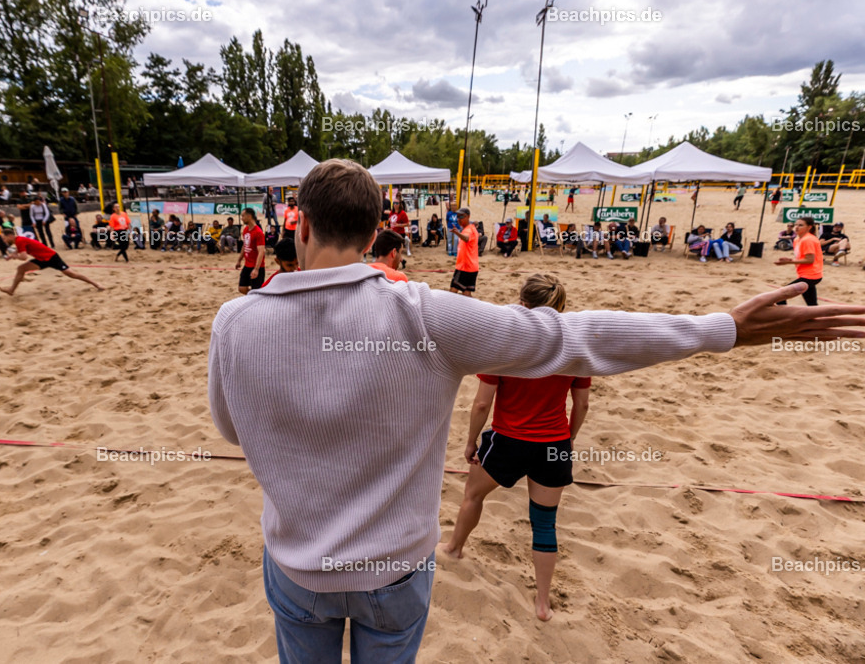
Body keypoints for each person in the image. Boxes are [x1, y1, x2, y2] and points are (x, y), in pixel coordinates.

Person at [207, 158, 865, 664]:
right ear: (381, 229)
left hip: (298, 566)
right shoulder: (424, 313)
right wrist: (717, 328)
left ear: (300, 222)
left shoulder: (236, 322)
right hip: (394, 568)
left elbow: (232, 430)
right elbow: (576, 335)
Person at [442, 273, 588, 621]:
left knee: (473, 496)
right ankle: (542, 603)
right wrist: (568, 440)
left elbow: (481, 405)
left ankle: (454, 549)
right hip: (553, 444)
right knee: (544, 524)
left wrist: (470, 442)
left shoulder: (505, 345)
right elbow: (581, 405)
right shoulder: (574, 348)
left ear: (522, 303)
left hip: (510, 440)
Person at [0, 228, 103, 295]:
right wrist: (12, 256)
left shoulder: (19, 240)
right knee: (21, 269)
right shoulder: (19, 240)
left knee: (71, 274)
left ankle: (96, 284)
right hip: (41, 259)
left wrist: (15, 257)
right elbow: (20, 250)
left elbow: (24, 257)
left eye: (4, 238)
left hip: (51, 257)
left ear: (10, 236)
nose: (4, 241)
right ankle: (11, 290)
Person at [775, 217, 824, 306]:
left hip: (810, 276)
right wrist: (789, 260)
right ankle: (815, 318)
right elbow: (802, 257)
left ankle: (786, 318)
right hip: (806, 274)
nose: (796, 227)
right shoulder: (797, 239)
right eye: (796, 225)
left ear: (809, 227)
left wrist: (789, 262)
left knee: (780, 296)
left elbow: (810, 260)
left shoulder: (808, 240)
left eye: (800, 225)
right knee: (812, 304)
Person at [449, 208, 479, 296]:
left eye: (462, 216)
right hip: (472, 267)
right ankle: (472, 310)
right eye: (458, 217)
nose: (459, 219)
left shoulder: (468, 230)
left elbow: (466, 238)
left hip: (464, 267)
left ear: (468, 217)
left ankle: (448, 309)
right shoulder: (471, 228)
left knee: (452, 291)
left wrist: (457, 233)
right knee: (466, 292)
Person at [237, 208, 266, 294]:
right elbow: (244, 246)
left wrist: (256, 269)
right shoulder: (246, 230)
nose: (241, 218)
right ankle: (254, 297)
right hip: (247, 265)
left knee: (256, 290)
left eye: (243, 216)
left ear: (249, 216)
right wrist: (239, 260)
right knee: (242, 288)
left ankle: (257, 299)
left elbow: (261, 251)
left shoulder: (258, 232)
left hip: (257, 267)